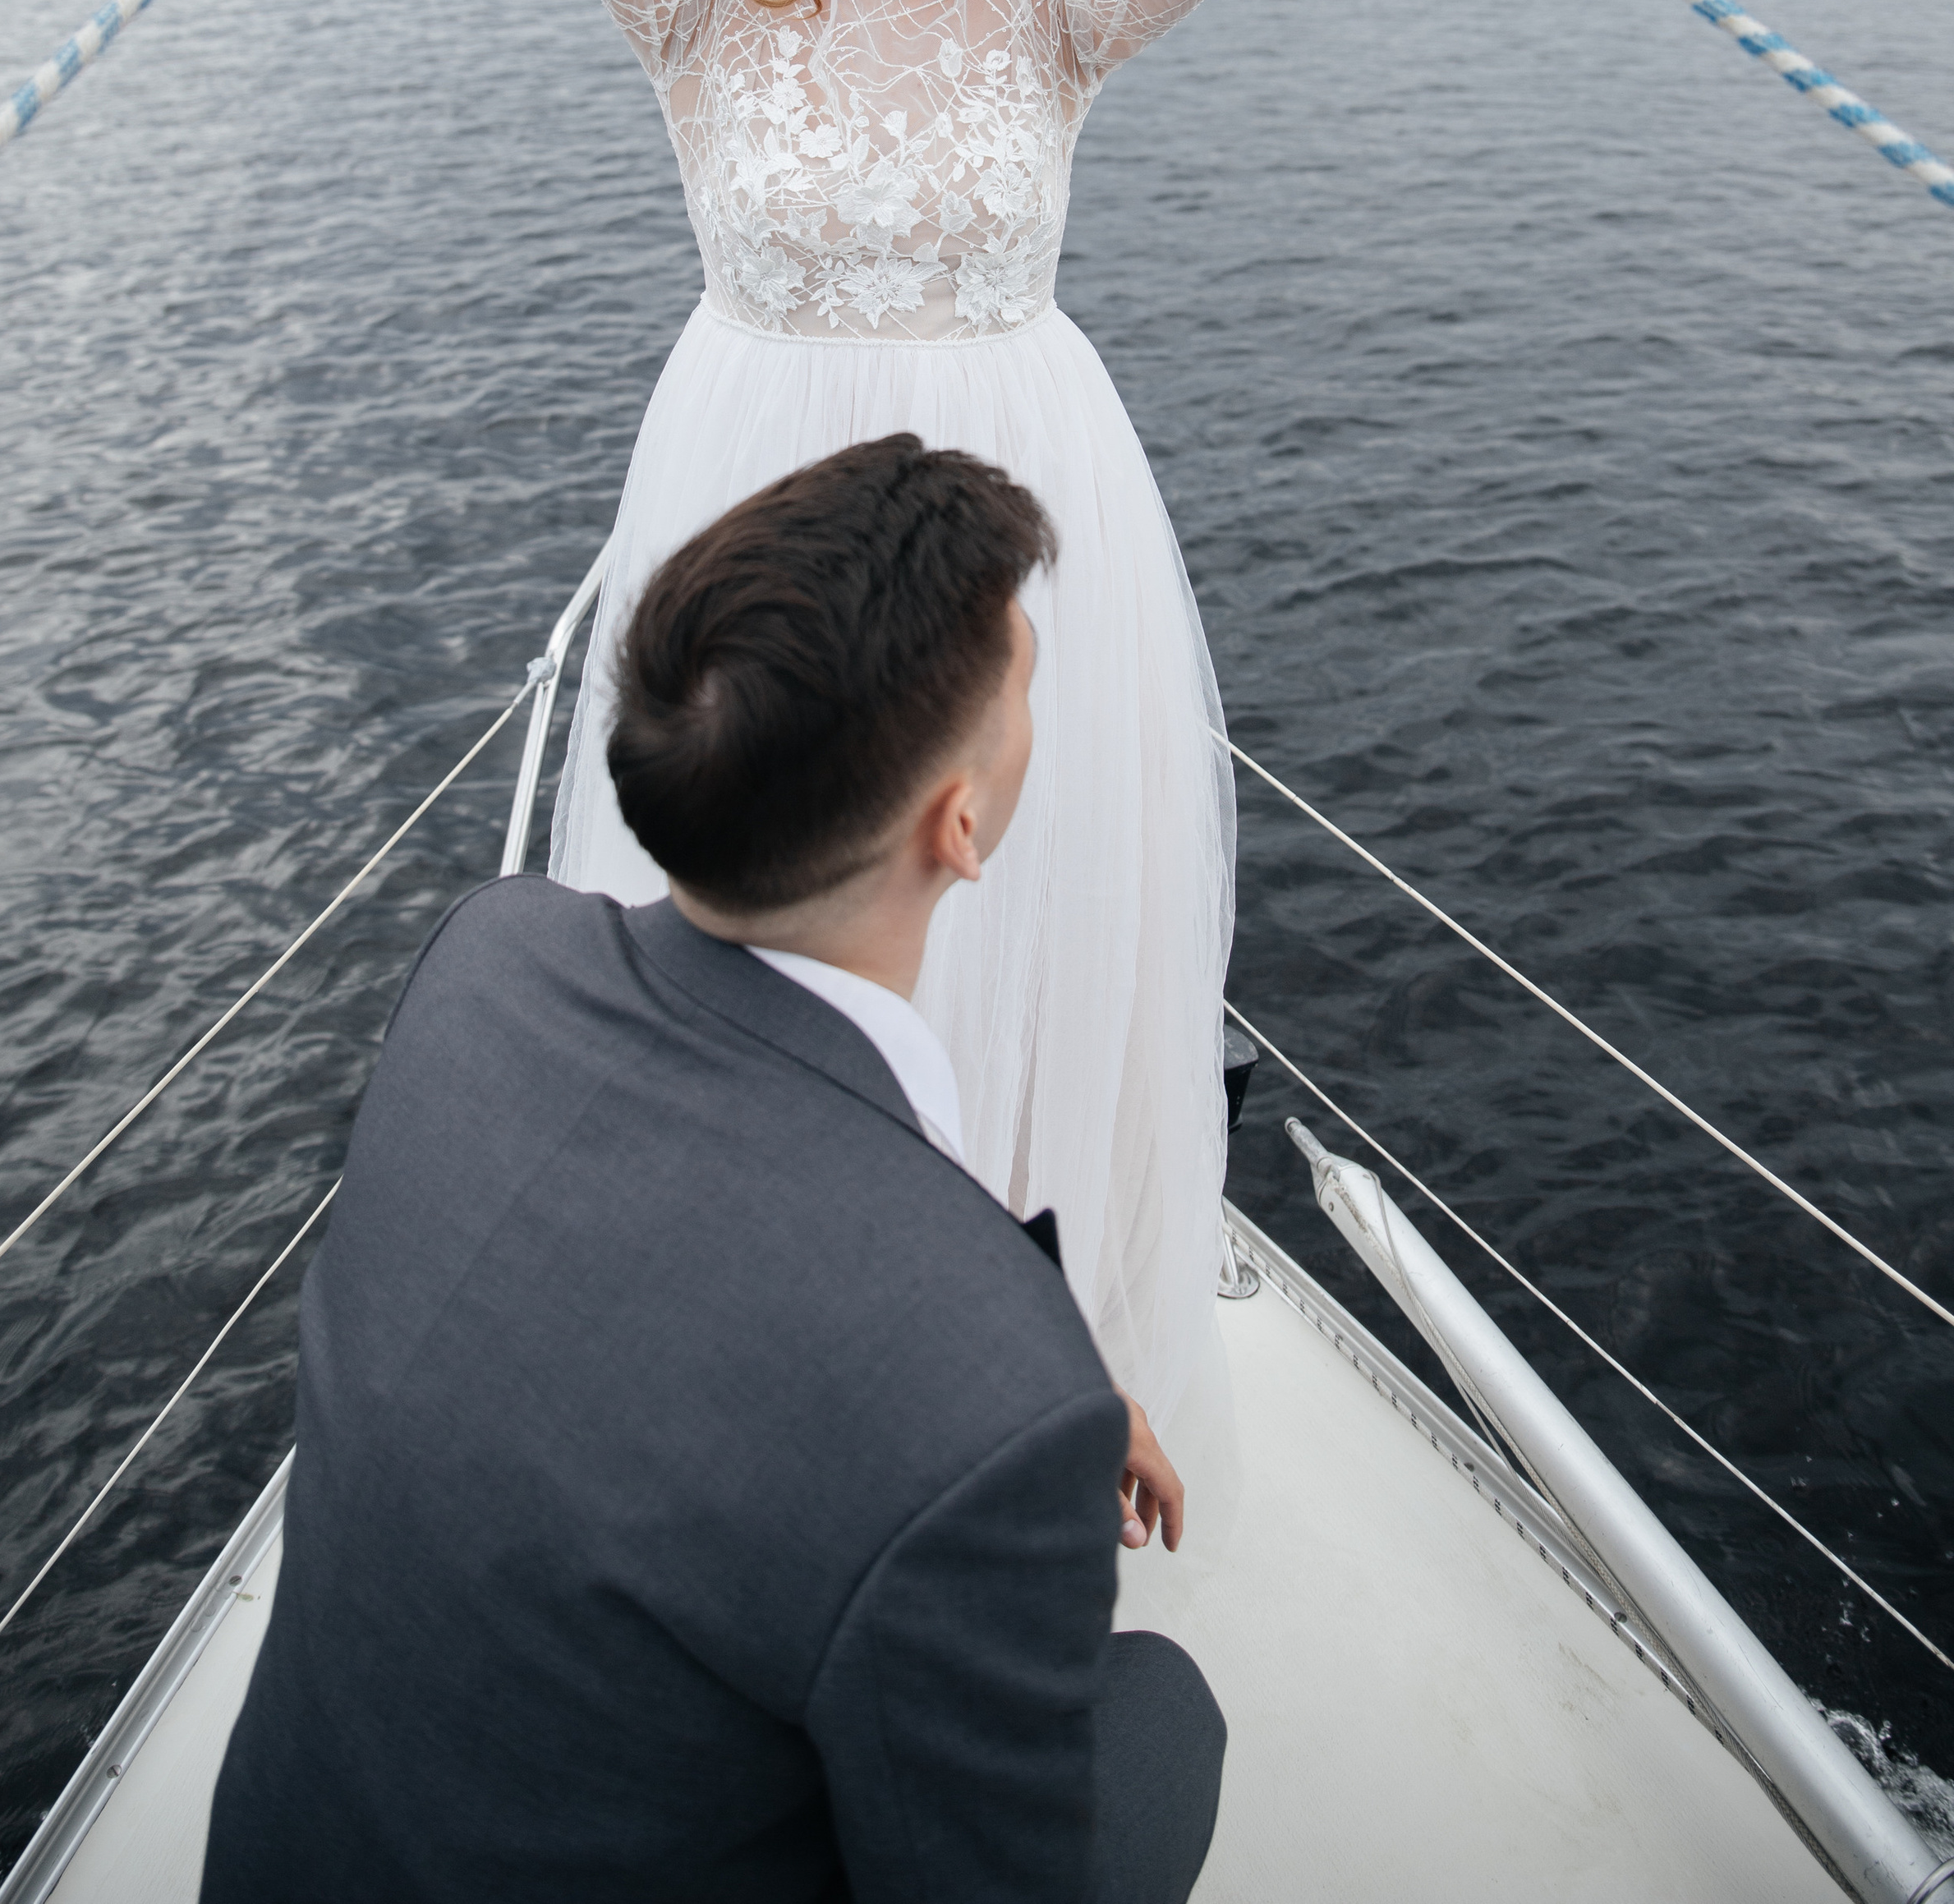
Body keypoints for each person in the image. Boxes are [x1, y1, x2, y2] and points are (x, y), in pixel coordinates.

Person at [518, 0, 1300, 1428]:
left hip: (1022, 550)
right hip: (756, 523)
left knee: (1029, 944)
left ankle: (1025, 1395)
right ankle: (773, 1403)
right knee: (761, 966)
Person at [201, 437, 1227, 1903]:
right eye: (1024, 682)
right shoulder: (991, 1413)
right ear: (963, 823)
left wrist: (1008, 1357)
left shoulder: (488, 960)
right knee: (1166, 1713)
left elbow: (696, 1258)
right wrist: (1018, 1395)